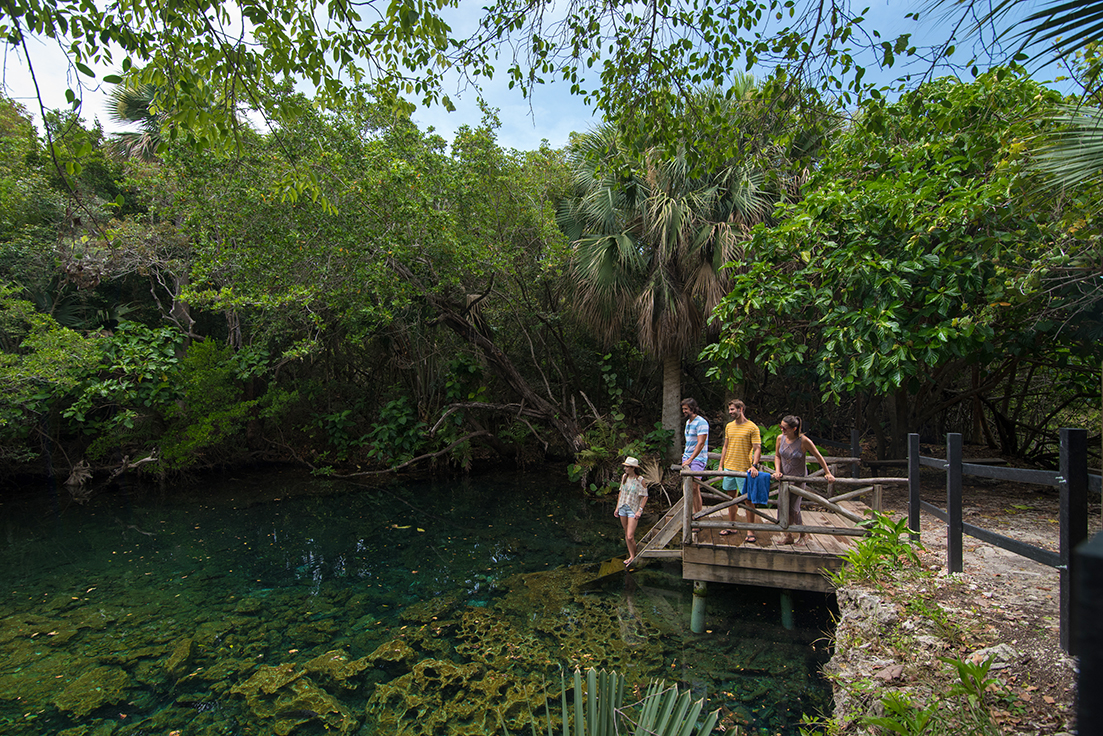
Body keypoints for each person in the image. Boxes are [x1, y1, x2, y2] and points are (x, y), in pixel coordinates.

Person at [771, 414, 836, 545]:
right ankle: (788, 535)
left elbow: (818, 456)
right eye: (781, 427)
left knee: (794, 508)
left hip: (798, 478)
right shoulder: (780, 438)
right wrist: (777, 470)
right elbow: (777, 456)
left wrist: (828, 473)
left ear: (794, 429)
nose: (782, 430)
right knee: (783, 506)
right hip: (784, 478)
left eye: (785, 428)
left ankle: (803, 534)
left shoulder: (803, 441)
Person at [719, 399, 761, 544]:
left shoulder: (752, 427)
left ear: (741, 409)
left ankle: (750, 530)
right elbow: (725, 446)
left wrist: (754, 465)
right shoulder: (729, 426)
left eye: (732, 409)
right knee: (731, 498)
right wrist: (721, 465)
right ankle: (732, 525)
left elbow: (757, 448)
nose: (730, 412)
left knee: (748, 500)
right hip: (729, 467)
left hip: (744, 468)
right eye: (729, 410)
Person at [615, 456, 648, 566]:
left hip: (633, 509)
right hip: (622, 508)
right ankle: (631, 555)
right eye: (625, 466)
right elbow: (621, 492)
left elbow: (645, 496)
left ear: (633, 468)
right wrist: (617, 508)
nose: (625, 468)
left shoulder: (640, 480)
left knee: (630, 536)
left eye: (627, 467)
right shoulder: (624, 477)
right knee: (626, 533)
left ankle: (634, 556)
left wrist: (640, 510)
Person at [680, 398, 709, 513]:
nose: (684, 411)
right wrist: (686, 454)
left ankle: (698, 515)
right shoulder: (688, 422)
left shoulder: (701, 422)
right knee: (686, 487)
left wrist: (691, 458)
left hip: (698, 458)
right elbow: (690, 441)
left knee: (694, 487)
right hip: (687, 457)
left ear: (692, 408)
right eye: (683, 409)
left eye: (686, 409)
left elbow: (700, 443)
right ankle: (689, 513)